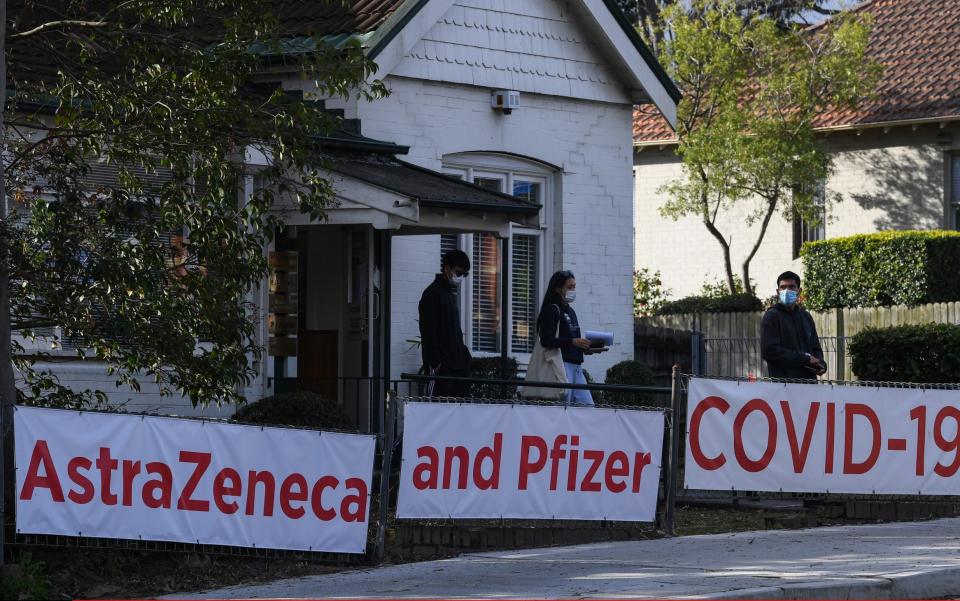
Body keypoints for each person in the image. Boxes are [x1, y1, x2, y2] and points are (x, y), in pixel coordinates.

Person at [419, 249, 472, 397]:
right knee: (438, 411)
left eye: (464, 274)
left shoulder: (448, 294)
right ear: (447, 268)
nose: (460, 277)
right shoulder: (432, 294)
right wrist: (435, 363)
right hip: (444, 368)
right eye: (458, 273)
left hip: (456, 366)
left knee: (459, 411)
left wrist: (463, 357)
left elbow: (454, 330)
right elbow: (428, 332)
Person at [537, 270, 595, 406]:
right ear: (558, 289)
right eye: (569, 287)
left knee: (588, 406)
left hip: (576, 366)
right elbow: (546, 340)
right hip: (561, 366)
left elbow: (572, 340)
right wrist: (573, 341)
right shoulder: (552, 309)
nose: (573, 290)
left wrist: (585, 348)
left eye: (574, 286)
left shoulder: (570, 310)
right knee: (563, 408)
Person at [761, 270, 826, 380]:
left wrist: (822, 365)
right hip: (784, 386)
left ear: (799, 291)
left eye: (791, 286)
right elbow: (770, 351)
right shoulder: (772, 316)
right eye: (783, 287)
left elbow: (815, 348)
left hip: (809, 384)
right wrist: (805, 359)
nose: (787, 291)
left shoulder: (806, 317)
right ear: (778, 291)